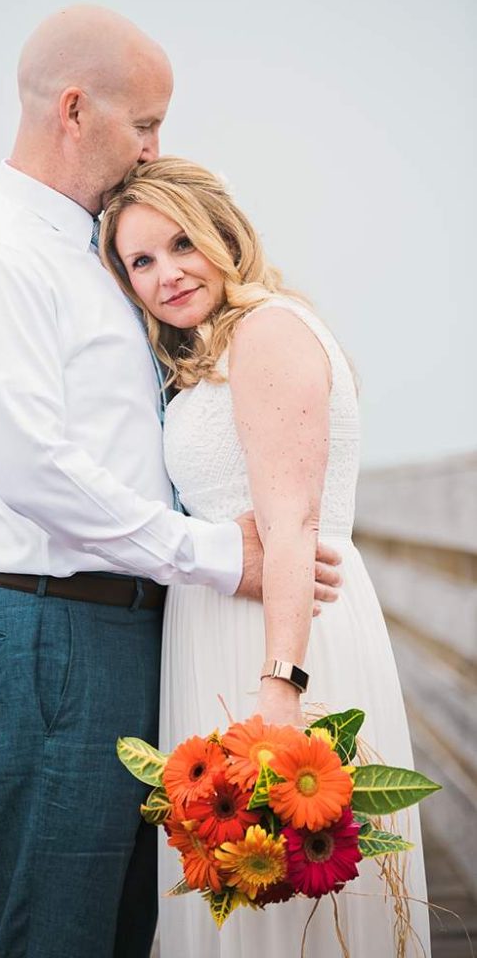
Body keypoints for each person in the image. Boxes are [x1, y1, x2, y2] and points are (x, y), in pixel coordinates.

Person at [0, 6, 341, 958]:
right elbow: (30, 467)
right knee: (55, 933)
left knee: (122, 933)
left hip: (125, 624)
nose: (158, 145)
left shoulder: (91, 252)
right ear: (75, 109)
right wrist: (208, 553)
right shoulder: (1, 259)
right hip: (51, 631)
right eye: (145, 122)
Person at [101, 156, 431, 957]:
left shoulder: (268, 330)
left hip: (282, 640)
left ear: (224, 233)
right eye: (140, 261)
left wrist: (280, 693)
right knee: (236, 899)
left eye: (183, 243)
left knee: (292, 904)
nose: (167, 273)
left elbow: (292, 524)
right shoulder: (204, 355)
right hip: (217, 629)